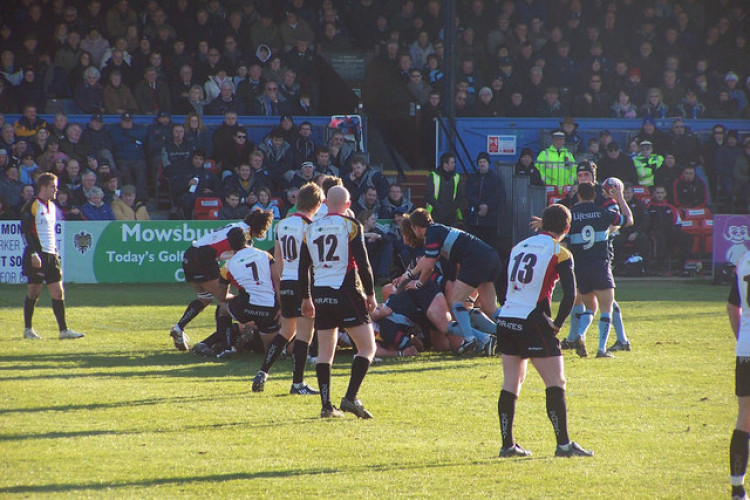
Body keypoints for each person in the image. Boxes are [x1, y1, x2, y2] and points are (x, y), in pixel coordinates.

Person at [496, 203, 592, 458]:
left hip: (507, 317)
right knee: (556, 381)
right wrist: (558, 323)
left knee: (511, 382)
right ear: (567, 228)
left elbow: (500, 278)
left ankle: (507, 445)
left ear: (542, 224)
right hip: (532, 320)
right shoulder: (560, 252)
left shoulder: (519, 246)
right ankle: (563, 445)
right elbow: (571, 293)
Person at [299, 185, 378, 419]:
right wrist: (371, 294)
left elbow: (304, 269)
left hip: (321, 292)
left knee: (325, 352)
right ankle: (350, 397)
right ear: (348, 203)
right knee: (367, 347)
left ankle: (326, 406)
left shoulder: (310, 229)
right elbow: (363, 265)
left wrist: (306, 298)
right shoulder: (351, 226)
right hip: (345, 290)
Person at [251, 183, 324, 395]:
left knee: (286, 331)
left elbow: (278, 256)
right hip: (304, 283)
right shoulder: (310, 225)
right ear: (317, 204)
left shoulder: (281, 224)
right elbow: (313, 260)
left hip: (287, 282)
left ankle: (263, 371)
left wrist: (282, 283)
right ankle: (298, 384)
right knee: (304, 336)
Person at [400, 208, 499, 355]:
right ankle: (513, 334)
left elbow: (428, 267)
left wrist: (418, 283)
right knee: (491, 308)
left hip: (475, 260)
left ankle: (470, 338)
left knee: (455, 301)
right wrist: (410, 274)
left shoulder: (432, 233)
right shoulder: (437, 230)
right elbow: (425, 261)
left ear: (415, 227)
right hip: (490, 257)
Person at [169, 212, 257, 351]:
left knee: (204, 298)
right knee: (224, 300)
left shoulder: (236, 226)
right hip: (203, 260)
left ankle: (179, 328)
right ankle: (223, 343)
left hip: (190, 255)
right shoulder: (244, 233)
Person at [565, 181, 632, 358]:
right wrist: (620, 198)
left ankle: (580, 334)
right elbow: (628, 220)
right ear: (595, 196)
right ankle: (601, 349)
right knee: (606, 309)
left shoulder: (571, 216)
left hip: (580, 268)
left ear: (578, 196)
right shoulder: (604, 213)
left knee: (590, 307)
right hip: (600, 266)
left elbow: (563, 239)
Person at [20, 173, 84, 340]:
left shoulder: (53, 207)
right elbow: (25, 231)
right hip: (37, 254)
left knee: (58, 292)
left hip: (51, 254)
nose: (56, 190)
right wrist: (33, 253)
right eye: (53, 187)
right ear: (43, 187)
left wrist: (54, 252)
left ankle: (63, 331)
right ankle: (28, 329)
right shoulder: (32, 206)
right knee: (34, 292)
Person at [727, 250, 750, 500]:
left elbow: (733, 308)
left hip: (746, 349)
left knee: (744, 417)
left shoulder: (744, 260)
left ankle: (737, 488)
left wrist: (742, 339)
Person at [464, 151, 502, 249]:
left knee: (490, 245)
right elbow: (469, 194)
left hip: (490, 220)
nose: (482, 164)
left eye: (484, 162)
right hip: (475, 219)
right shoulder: (472, 178)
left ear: (488, 163)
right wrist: (479, 205)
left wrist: (487, 206)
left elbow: (499, 195)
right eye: (480, 162)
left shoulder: (495, 178)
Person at [424, 152, 462, 226]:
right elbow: (428, 195)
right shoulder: (433, 175)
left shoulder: (456, 177)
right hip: (436, 215)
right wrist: (439, 207)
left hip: (451, 216)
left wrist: (452, 208)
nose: (454, 164)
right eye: (452, 162)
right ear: (445, 164)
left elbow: (459, 196)